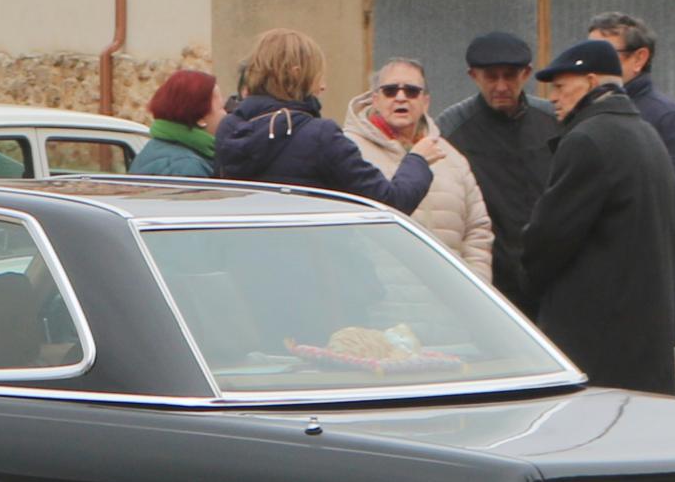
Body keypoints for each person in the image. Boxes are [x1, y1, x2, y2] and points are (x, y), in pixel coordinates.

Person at [520, 38, 675, 392]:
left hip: (596, 337)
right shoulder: (646, 133)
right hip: (645, 334)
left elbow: (547, 240)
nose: (553, 97)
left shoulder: (588, 139)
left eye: (561, 87)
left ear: (591, 82)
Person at [213, 28, 436, 210]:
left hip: (244, 259)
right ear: (297, 74)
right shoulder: (320, 136)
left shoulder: (229, 129)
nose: (323, 86)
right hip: (309, 259)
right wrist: (417, 160)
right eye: (317, 76)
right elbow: (390, 202)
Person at [591, 11, 675, 312]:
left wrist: (639, 254)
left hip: (647, 291)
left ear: (639, 59)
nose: (590, 67)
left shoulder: (665, 118)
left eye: (604, 55)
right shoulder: (591, 112)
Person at [434, 32, 560, 304]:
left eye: (510, 75)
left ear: (526, 74)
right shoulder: (453, 128)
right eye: (491, 76)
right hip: (492, 277)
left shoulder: (553, 122)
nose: (501, 86)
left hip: (552, 275)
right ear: (473, 76)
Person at [342, 57, 494, 281]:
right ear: (375, 99)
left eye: (411, 91)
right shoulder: (349, 150)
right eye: (390, 90)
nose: (401, 97)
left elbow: (477, 230)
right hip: (379, 302)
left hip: (447, 301)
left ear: (426, 102)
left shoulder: (451, 157)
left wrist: (475, 283)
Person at [130, 63, 220, 177]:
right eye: (221, 108)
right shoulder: (186, 166)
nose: (226, 114)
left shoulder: (154, 148)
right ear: (201, 119)